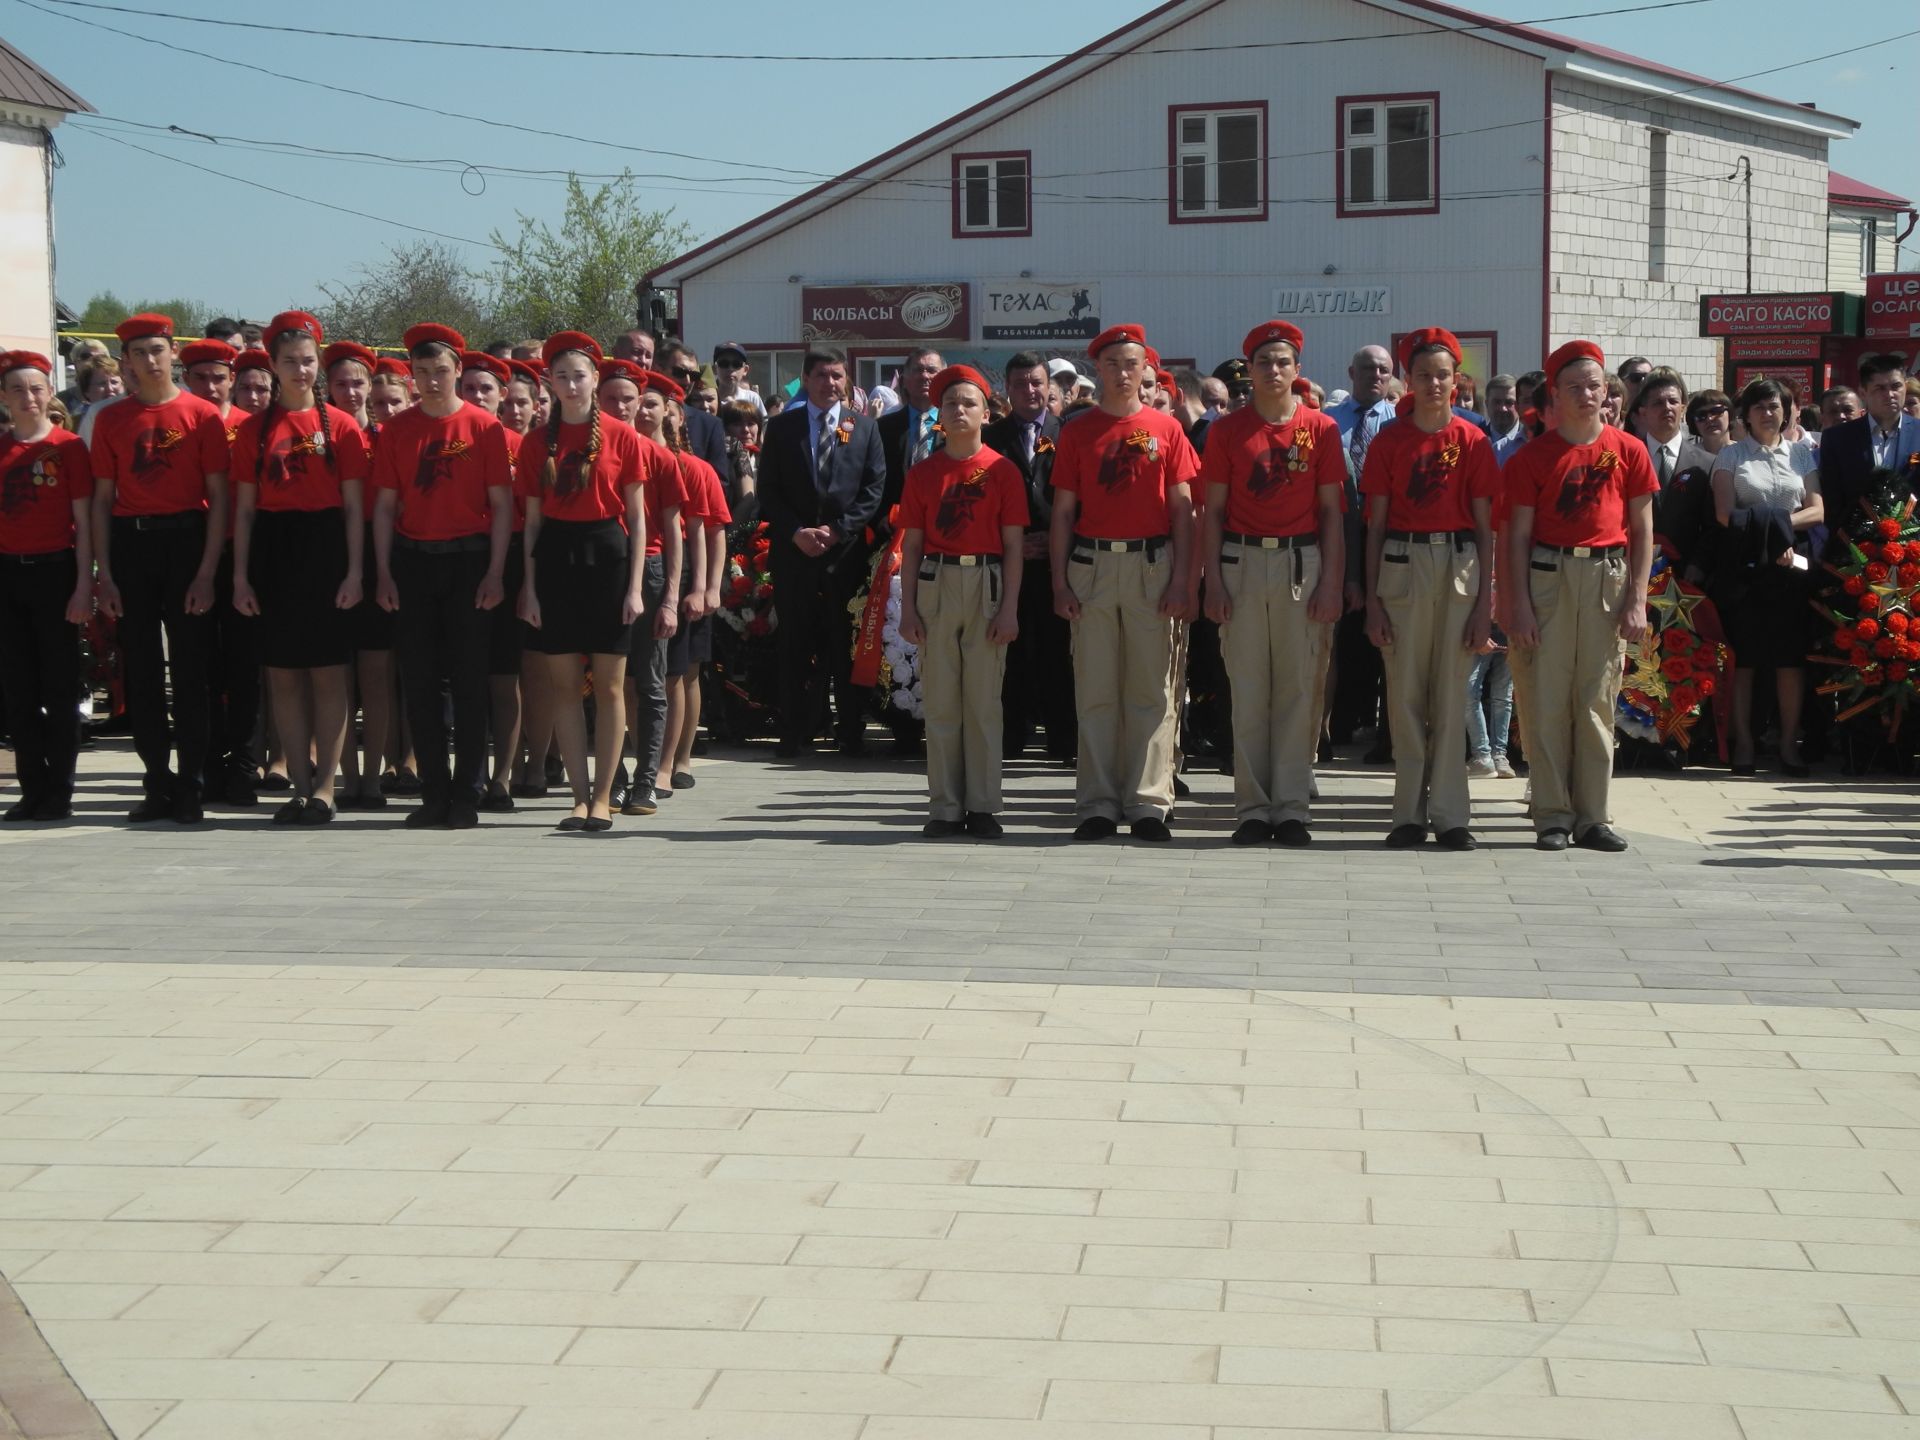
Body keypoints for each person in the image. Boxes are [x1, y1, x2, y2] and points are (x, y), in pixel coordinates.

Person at [1505, 340, 1656, 852]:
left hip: (1605, 581)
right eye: (1575, 387)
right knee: (1545, 700)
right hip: (1548, 576)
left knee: (1597, 699)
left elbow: (1641, 528)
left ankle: (1593, 817)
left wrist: (1637, 597)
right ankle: (1551, 815)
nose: (1588, 395)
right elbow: (1516, 537)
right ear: (1555, 394)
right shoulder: (1533, 457)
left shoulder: (1628, 449)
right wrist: (1517, 603)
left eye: (1595, 385)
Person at [1199, 320, 1345, 846]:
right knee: (1249, 690)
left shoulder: (1320, 429)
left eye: (1283, 362)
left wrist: (1331, 582)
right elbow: (1211, 512)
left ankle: (1291, 808)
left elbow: (1331, 514)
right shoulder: (1227, 431)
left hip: (1300, 565)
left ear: (1297, 371)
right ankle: (1252, 808)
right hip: (1241, 562)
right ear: (1250, 371)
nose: (1274, 370)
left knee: (1296, 690)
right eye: (1265, 362)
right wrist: (1211, 580)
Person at [1050, 324, 1198, 842]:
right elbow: (1063, 514)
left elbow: (1183, 511)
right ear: (1098, 370)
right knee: (1095, 689)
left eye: (1130, 363)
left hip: (1151, 567)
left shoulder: (1167, 428)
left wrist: (1183, 579)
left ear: (1145, 371)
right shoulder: (1077, 431)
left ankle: (1149, 802)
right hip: (1091, 567)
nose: (1121, 372)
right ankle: (1096, 802)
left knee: (1151, 692)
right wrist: (1060, 584)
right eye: (1111, 363)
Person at [88, 314, 231, 822]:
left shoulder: (201, 414)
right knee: (143, 672)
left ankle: (192, 783)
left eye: (158, 350)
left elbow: (217, 497)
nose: (150, 361)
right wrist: (105, 575)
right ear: (125, 361)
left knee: (192, 671)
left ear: (174, 352)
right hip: (132, 545)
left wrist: (207, 573)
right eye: (139, 353)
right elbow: (102, 499)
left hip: (187, 542)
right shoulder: (110, 419)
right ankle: (156, 783)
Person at [370, 322, 513, 830]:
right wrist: (384, 572)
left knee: (471, 681)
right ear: (412, 375)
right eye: (423, 372)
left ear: (458, 371)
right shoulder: (398, 430)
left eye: (442, 371)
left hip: (470, 561)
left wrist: (496, 572)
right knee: (421, 681)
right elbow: (385, 507)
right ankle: (433, 789)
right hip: (413, 562)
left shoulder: (484, 427)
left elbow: (501, 507)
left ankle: (467, 793)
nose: (433, 380)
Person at [228, 311, 369, 826]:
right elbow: (243, 509)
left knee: (330, 675)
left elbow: (354, 508)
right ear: (272, 365)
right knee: (284, 677)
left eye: (309, 361)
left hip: (327, 548)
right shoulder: (252, 431)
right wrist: (241, 575)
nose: (302, 371)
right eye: (290, 362)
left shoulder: (344, 427)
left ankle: (327, 789)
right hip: (274, 548)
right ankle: (298, 785)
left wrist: (355, 571)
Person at [1359, 327, 1497, 851]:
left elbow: (1487, 528)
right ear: (1407, 380)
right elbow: (1374, 525)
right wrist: (1372, 600)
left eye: (1443, 375)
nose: (1434, 383)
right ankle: (1407, 815)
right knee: (1406, 695)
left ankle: (1452, 815)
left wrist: (1487, 602)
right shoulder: (1390, 441)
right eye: (1423, 375)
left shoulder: (1473, 440)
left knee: (1450, 693)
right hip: (1402, 564)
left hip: (1458, 566)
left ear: (1457, 380)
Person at [517, 331, 651, 832]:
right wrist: (528, 587)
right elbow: (530, 522)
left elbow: (637, 520)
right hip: (554, 557)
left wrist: (636, 588)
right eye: (561, 377)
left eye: (579, 376)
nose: (571, 385)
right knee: (564, 686)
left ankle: (603, 796)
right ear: (548, 382)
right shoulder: (535, 443)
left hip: (608, 558)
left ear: (596, 379)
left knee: (612, 686)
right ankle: (576, 796)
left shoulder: (623, 436)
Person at [897, 364, 1026, 838]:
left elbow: (1014, 545)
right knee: (942, 700)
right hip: (937, 583)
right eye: (950, 403)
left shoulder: (1002, 471)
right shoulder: (924, 473)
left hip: (987, 584)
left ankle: (984, 805)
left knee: (983, 702)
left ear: (986, 412)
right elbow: (911, 546)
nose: (958, 410)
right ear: (938, 413)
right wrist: (908, 608)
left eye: (968, 402)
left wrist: (1010, 607)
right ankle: (945, 806)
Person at [759, 346, 886, 758]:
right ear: (806, 379)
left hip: (842, 555)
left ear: (846, 380)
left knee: (842, 645)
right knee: (795, 644)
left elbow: (872, 490)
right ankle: (794, 731)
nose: (829, 383)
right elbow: (769, 491)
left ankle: (850, 731)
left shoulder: (863, 428)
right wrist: (796, 531)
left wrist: (837, 531)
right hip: (794, 554)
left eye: (836, 376)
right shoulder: (781, 428)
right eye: (821, 376)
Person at [1710, 376, 1822, 777]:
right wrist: (1774, 535)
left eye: (1775, 406)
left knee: (1790, 659)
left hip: (1792, 569)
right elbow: (1726, 514)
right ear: (1747, 414)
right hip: (1747, 570)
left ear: (1787, 411)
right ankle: (1743, 744)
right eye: (1760, 407)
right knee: (1747, 660)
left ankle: (1790, 744)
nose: (1768, 413)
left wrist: (1781, 535)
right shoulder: (1731, 456)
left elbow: (1816, 510)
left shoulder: (1801, 456)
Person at [0, 351, 92, 821]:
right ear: (4, 398)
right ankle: (30, 787)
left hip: (56, 574)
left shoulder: (69, 448)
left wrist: (83, 586)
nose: (28, 397)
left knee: (59, 690)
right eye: (17, 389)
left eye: (36, 388)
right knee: (18, 689)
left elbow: (83, 522)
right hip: (7, 575)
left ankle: (60, 790)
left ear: (49, 391)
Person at [178, 336, 263, 806]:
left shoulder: (251, 428)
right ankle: (206, 764)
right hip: (193, 555)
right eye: (200, 379)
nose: (210, 387)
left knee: (245, 668)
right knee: (200, 666)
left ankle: (242, 768)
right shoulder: (183, 425)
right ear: (186, 381)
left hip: (244, 556)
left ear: (233, 380)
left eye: (218, 378)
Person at [984, 351, 1073, 765]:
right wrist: (1014, 542)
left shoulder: (1070, 432)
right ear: (1008, 389)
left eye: (1037, 383)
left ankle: (1065, 741)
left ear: (1049, 386)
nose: (1030, 391)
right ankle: (1011, 738)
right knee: (1012, 651)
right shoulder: (990, 438)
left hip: (1062, 561)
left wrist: (1054, 540)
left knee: (1061, 654)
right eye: (1021, 384)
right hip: (1008, 560)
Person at [618, 367, 690, 815]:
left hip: (650, 569)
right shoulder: (587, 453)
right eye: (612, 398)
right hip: (601, 569)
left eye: (633, 399)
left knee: (650, 680)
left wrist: (670, 597)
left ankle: (647, 779)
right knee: (609, 682)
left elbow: (675, 529)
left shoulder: (658, 458)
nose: (623, 408)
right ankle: (615, 776)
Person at [457, 350, 525, 812]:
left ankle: (503, 775)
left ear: (503, 396)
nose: (477, 396)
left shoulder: (520, 446)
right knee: (466, 678)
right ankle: (469, 774)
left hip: (512, 561)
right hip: (460, 560)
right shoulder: (450, 439)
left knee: (505, 677)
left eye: (487, 389)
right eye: (470, 388)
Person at [649, 380, 711, 804]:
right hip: (634, 569)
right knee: (643, 676)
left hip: (679, 571)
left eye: (663, 408)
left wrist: (703, 587)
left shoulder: (690, 466)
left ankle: (670, 763)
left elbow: (704, 531)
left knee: (678, 672)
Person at [665, 430, 729, 794]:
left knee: (687, 672)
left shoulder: (697, 469)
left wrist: (709, 588)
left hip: (692, 569)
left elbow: (715, 530)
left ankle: (681, 760)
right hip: (645, 564)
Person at [1819, 354, 1920, 556]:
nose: (1890, 394)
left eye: (1896, 386)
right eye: (1880, 388)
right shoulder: (1837, 439)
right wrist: (1853, 543)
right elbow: (1833, 499)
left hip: (1914, 551)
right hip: (1857, 552)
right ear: (1863, 392)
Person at [656, 339, 733, 490]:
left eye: (694, 375)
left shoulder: (709, 425)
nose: (687, 380)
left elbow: (719, 484)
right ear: (658, 370)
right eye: (680, 372)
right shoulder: (639, 416)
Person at [1631, 367, 1713, 493]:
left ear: (1683, 408)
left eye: (1673, 401)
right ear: (1643, 412)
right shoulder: (1628, 458)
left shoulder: (1707, 463)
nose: (1667, 407)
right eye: (1658, 402)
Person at [1483, 374, 1529, 466]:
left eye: (1509, 402)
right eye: (1496, 402)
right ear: (1487, 404)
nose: (1502, 408)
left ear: (1519, 405)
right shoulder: (1473, 441)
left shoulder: (1530, 441)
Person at [712, 342, 765, 417]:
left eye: (737, 364)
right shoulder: (708, 400)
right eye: (724, 363)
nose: (730, 368)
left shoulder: (752, 398)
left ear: (745, 370)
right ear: (714, 369)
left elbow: (763, 426)